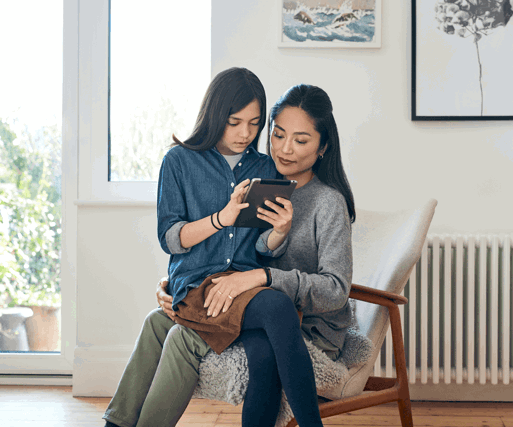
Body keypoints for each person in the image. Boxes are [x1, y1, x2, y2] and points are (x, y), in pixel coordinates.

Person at [102, 68, 322, 427]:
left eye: (254, 124)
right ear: (215, 115)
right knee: (276, 308)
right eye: (234, 122)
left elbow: (263, 247)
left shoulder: (265, 166)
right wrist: (222, 217)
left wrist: (280, 231)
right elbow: (171, 238)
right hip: (197, 287)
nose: (245, 133)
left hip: (241, 290)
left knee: (261, 349)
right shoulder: (179, 162)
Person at [157, 84, 356, 426]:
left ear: (323, 146)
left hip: (307, 324)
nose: (285, 149)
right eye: (277, 135)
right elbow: (226, 252)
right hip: (253, 312)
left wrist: (262, 277)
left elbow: (336, 291)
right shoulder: (257, 183)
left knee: (268, 338)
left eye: (301, 140)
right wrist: (176, 282)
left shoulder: (328, 202)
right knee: (262, 352)